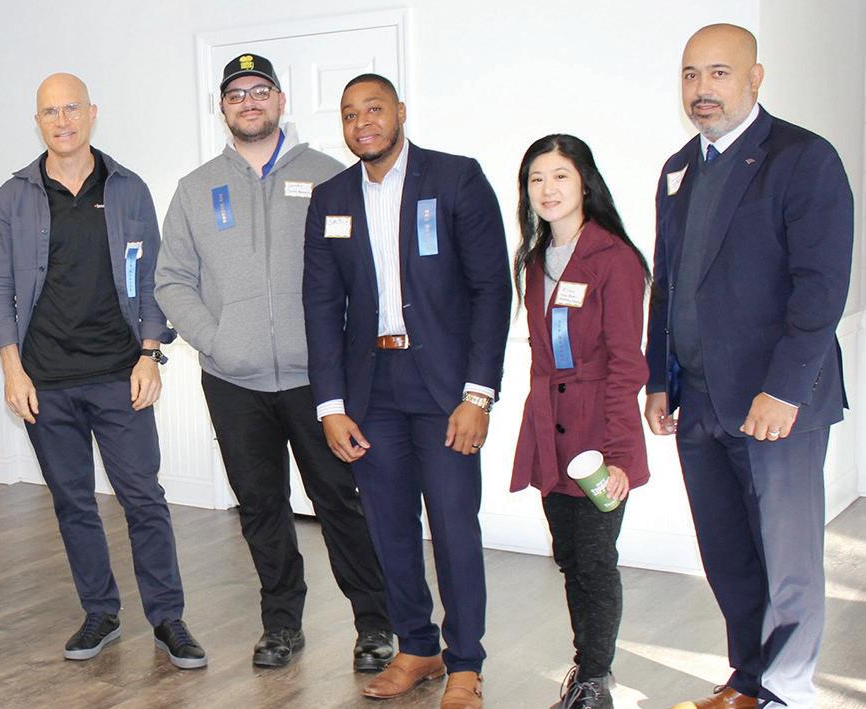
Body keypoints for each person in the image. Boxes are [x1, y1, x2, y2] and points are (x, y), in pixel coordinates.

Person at [156, 53, 392, 671]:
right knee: (261, 508)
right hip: (233, 380)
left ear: (281, 100)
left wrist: (343, 350)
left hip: (320, 381)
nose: (249, 102)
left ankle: (376, 623)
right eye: (236, 94)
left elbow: (363, 273)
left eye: (260, 90)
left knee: (340, 502)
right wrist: (217, 340)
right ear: (223, 108)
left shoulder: (330, 176)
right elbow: (172, 280)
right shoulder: (196, 188)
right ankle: (282, 624)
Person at [645, 25, 853, 709]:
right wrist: (658, 378)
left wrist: (783, 390)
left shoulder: (802, 158)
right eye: (690, 75)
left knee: (786, 561)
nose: (701, 89)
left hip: (775, 404)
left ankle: (784, 692)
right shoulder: (678, 168)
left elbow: (820, 289)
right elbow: (668, 284)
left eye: (718, 73)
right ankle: (747, 680)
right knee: (727, 554)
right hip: (700, 402)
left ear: (754, 78)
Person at [0, 73, 206, 670]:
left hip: (119, 375)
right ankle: (100, 612)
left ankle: (168, 618)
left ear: (92, 113)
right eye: (50, 112)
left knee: (143, 498)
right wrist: (12, 369)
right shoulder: (14, 197)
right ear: (38, 122)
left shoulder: (127, 188)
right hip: (45, 382)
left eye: (72, 108)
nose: (62, 121)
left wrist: (150, 354)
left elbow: (154, 276)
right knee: (73, 502)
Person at [302, 73, 510, 709]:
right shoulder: (331, 197)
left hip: (445, 388)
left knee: (452, 526)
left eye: (374, 108)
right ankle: (418, 648)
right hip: (372, 390)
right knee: (389, 528)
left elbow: (491, 290)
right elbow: (321, 304)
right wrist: (330, 405)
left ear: (400, 111)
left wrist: (478, 395)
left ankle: (466, 661)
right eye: (349, 114)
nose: (362, 122)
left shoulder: (455, 178)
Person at [507, 135, 650, 709]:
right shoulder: (535, 260)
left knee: (595, 561)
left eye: (560, 175)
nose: (547, 189)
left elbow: (627, 365)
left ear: (585, 183)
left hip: (597, 437)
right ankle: (586, 666)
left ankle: (595, 678)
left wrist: (619, 455)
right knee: (569, 558)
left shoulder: (614, 259)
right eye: (536, 178)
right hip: (551, 432)